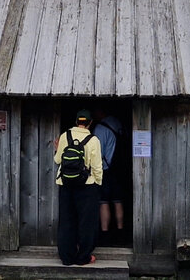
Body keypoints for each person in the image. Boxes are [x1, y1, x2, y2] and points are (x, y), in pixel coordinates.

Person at [54, 108, 103, 266]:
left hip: (66, 184)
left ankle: (66, 257)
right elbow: (97, 166)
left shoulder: (64, 136)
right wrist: (98, 183)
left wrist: (57, 149)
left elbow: (57, 160)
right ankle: (83, 257)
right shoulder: (93, 140)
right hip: (86, 185)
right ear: (89, 123)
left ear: (76, 122)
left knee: (67, 220)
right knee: (86, 221)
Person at [92, 108, 125, 245]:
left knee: (103, 202)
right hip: (118, 169)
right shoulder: (117, 123)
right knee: (118, 201)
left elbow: (97, 153)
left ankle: (105, 234)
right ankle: (120, 232)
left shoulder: (100, 129)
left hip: (105, 170)